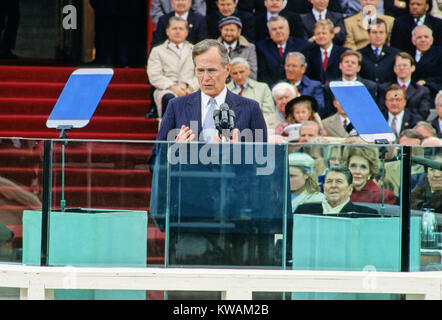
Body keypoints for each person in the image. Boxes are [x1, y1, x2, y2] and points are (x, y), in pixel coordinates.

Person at [155, 39, 268, 142]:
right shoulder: (176, 106)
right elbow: (157, 159)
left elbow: (263, 159)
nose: (205, 78)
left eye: (212, 70)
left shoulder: (250, 108)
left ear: (227, 69)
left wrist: (238, 154)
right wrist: (174, 149)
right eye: (200, 71)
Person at [147, 17, 199, 117]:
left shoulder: (196, 50)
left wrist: (190, 87)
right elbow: (154, 75)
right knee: (169, 98)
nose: (177, 32)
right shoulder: (157, 51)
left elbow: (201, 73)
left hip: (191, 89)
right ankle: (168, 131)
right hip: (166, 89)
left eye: (181, 29)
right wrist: (172, 87)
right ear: (167, 32)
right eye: (174, 29)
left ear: (186, 32)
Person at [295, 165, 379, 216]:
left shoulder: (366, 215)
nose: (333, 186)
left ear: (350, 189)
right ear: (324, 187)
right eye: (329, 181)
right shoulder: (303, 211)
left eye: (339, 181)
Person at [256, 15, 311, 88]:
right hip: (272, 89)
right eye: (274, 29)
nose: (278, 31)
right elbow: (263, 74)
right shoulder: (261, 47)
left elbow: (306, 71)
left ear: (288, 29)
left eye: (281, 28)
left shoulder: (302, 46)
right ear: (270, 33)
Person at [378, 51, 432, 119]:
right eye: (399, 65)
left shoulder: (422, 91)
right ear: (394, 68)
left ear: (412, 68)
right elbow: (381, 111)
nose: (401, 68)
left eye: (405, 65)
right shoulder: (384, 88)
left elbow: (424, 112)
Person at [306, 19, 349, 85]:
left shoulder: (343, 53)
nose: (321, 36)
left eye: (324, 33)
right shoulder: (309, 53)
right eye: (318, 33)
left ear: (332, 35)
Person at [358, 18, 399, 84]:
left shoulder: (395, 54)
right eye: (374, 32)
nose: (378, 36)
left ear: (386, 34)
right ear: (368, 34)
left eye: (381, 32)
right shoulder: (360, 54)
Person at [284, 51, 326, 116]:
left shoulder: (314, 86)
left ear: (303, 69)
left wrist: (299, 97)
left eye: (294, 66)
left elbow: (320, 108)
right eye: (288, 65)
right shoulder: (279, 86)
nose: (290, 69)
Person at [410, 25, 442, 98]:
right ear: (413, 41)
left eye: (426, 37)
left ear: (431, 40)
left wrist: (425, 82)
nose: (423, 40)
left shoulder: (439, 53)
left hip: (433, 91)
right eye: (419, 37)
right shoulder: (408, 55)